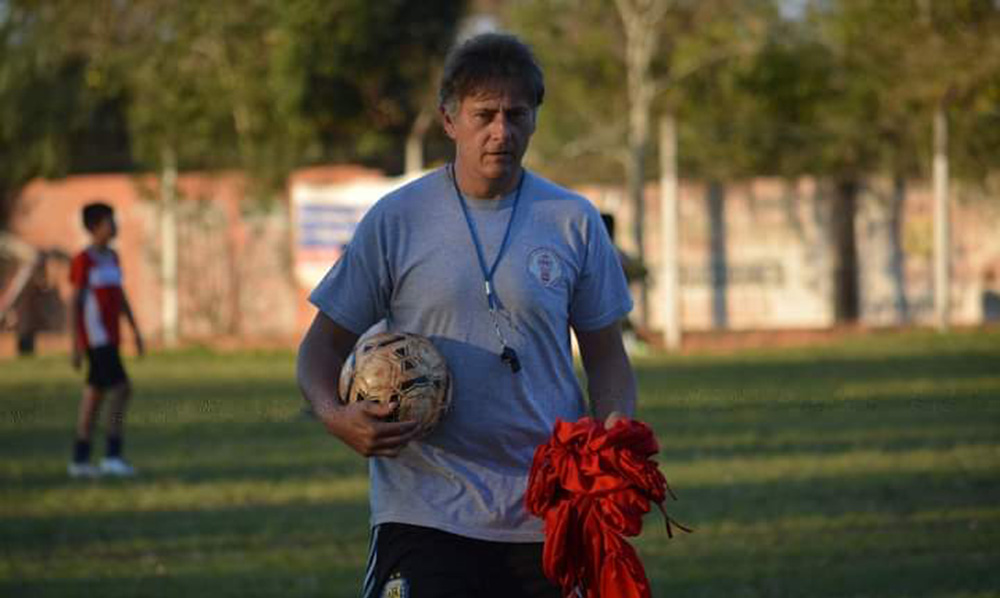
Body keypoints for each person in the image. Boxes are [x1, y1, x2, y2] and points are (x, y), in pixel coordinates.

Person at [297, 33, 636, 597]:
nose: (501, 131)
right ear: (449, 120)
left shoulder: (572, 221)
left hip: (546, 513)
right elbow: (320, 348)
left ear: (534, 119)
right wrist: (336, 416)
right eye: (484, 114)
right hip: (423, 512)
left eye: (516, 114)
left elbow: (607, 358)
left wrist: (614, 436)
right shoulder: (397, 220)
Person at [68, 202, 144, 478]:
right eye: (110, 222)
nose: (115, 227)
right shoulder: (82, 261)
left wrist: (135, 331)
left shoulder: (112, 257)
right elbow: (74, 303)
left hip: (111, 339)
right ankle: (112, 455)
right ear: (94, 227)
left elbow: (120, 297)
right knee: (122, 389)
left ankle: (81, 458)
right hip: (96, 340)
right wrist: (75, 344)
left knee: (94, 397)